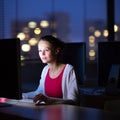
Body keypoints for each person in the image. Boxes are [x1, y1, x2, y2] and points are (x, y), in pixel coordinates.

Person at [22, 35, 79, 105]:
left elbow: (74, 100)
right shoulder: (45, 70)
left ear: (56, 51)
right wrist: (22, 95)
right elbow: (38, 93)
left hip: (64, 113)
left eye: (46, 50)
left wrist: (48, 100)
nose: (42, 54)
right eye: (40, 50)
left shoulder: (68, 69)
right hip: (47, 112)